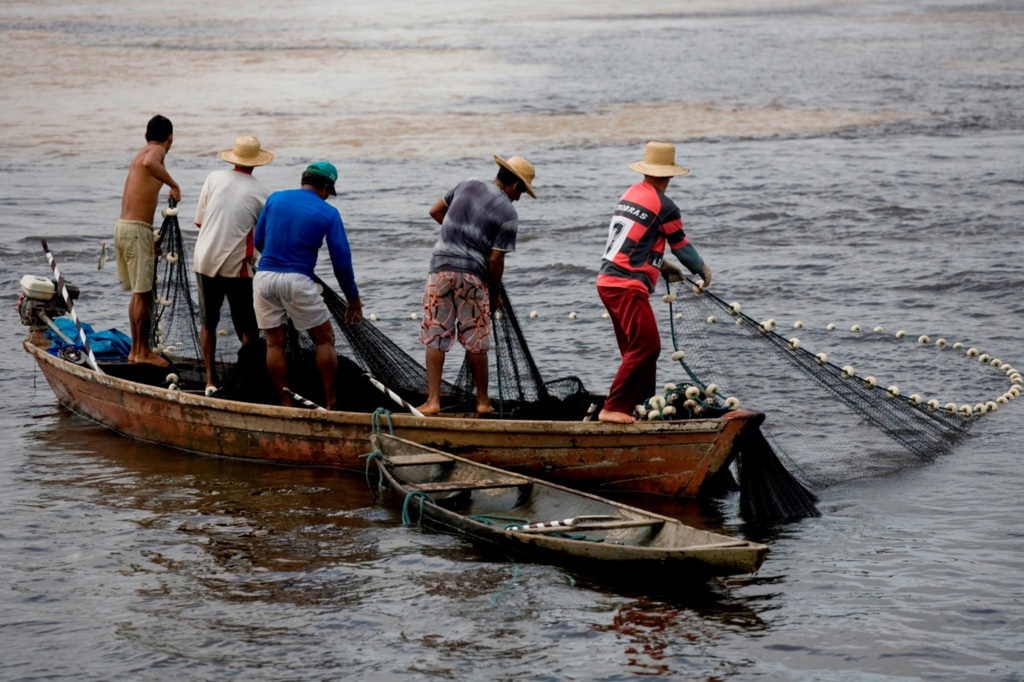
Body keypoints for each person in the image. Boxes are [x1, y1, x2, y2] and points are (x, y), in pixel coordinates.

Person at [596, 141, 712, 424]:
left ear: (647, 171)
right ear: (670, 175)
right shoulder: (665, 206)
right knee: (647, 348)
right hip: (628, 286)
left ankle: (642, 404)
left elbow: (636, 241)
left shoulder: (631, 194)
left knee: (636, 351)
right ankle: (612, 408)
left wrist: (661, 266)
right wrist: (703, 269)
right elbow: (681, 246)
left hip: (608, 281)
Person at [417, 154, 537, 416]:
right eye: (522, 192)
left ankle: (433, 401)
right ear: (514, 186)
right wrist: (494, 294)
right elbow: (495, 261)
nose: (519, 198)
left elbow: (435, 211)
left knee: (436, 336)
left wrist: (458, 233)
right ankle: (482, 402)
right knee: (476, 340)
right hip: (473, 277)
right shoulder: (508, 213)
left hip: (440, 271)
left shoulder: (467, 184)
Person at [252, 161, 363, 409]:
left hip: (264, 277)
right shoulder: (328, 212)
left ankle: (286, 402)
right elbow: (341, 262)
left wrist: (277, 260)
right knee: (324, 340)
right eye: (328, 192)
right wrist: (352, 298)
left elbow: (259, 239)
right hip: (298, 281)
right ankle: (331, 402)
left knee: (274, 343)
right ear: (324, 187)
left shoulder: (275, 198)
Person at [192, 135, 274, 395]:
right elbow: (263, 238)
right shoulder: (263, 193)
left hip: (204, 259)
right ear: (256, 162)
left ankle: (210, 380)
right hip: (236, 266)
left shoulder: (213, 178)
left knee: (208, 323)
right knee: (248, 327)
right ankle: (246, 379)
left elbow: (201, 222)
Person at [114, 114, 180, 368]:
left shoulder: (142, 150)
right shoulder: (155, 152)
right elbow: (149, 163)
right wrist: (174, 185)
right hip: (135, 230)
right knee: (144, 294)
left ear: (146, 135)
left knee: (139, 294)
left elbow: (144, 165)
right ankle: (142, 353)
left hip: (125, 227)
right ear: (170, 138)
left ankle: (136, 351)